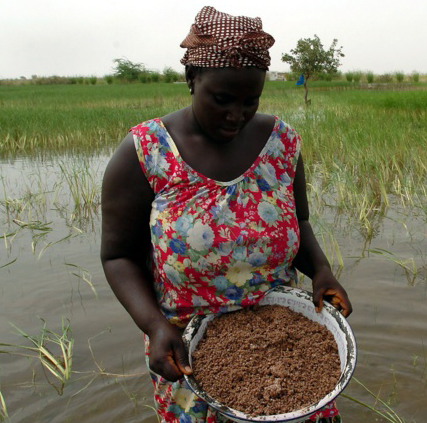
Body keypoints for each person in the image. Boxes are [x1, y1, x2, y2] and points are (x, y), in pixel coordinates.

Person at [100, 6, 353, 423]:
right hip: (188, 354)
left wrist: (321, 270)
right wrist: (153, 326)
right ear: (191, 80)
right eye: (222, 99)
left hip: (285, 345)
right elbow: (118, 257)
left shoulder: (281, 143)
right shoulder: (146, 153)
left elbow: (300, 222)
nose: (236, 114)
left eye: (250, 101)